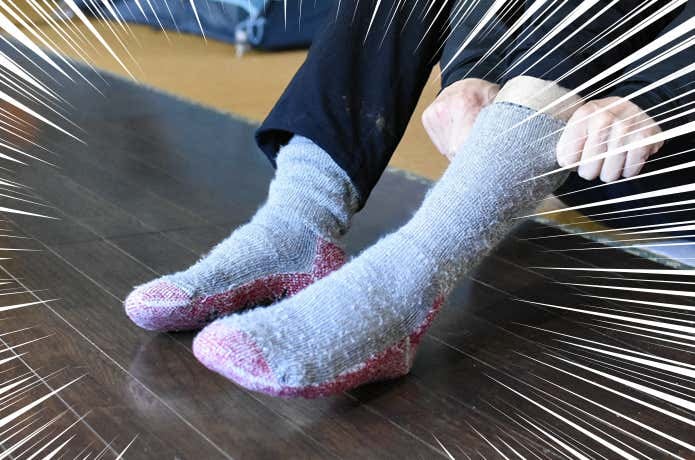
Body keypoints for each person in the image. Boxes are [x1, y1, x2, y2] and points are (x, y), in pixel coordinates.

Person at [124, 0, 694, 397]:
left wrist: (655, 95)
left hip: (648, 147)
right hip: (560, 136)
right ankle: (299, 222)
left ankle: (404, 286)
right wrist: (471, 73)